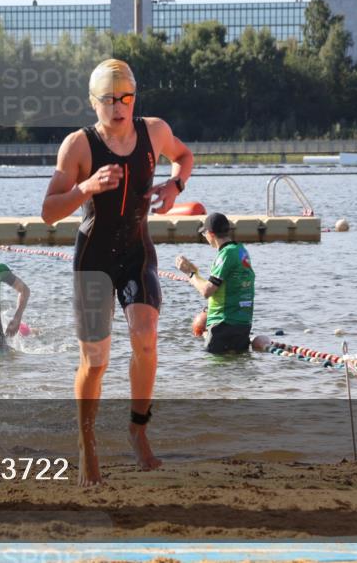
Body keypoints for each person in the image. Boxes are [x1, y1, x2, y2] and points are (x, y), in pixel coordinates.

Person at [41, 58, 194, 486]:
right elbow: (49, 211)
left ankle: (138, 429)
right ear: (94, 102)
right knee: (95, 361)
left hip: (135, 252)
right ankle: (86, 442)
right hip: (93, 258)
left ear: (134, 98)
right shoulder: (78, 145)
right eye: (109, 99)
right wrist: (86, 187)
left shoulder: (155, 131)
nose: (119, 106)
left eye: (126, 98)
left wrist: (175, 185)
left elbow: (184, 156)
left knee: (146, 337)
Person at [175, 212, 256, 355]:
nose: (204, 237)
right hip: (243, 324)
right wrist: (196, 273)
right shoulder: (241, 250)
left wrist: (190, 274)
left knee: (213, 367)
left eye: (204, 233)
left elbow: (207, 291)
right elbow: (226, 286)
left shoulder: (225, 254)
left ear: (211, 234)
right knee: (237, 365)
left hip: (223, 324)